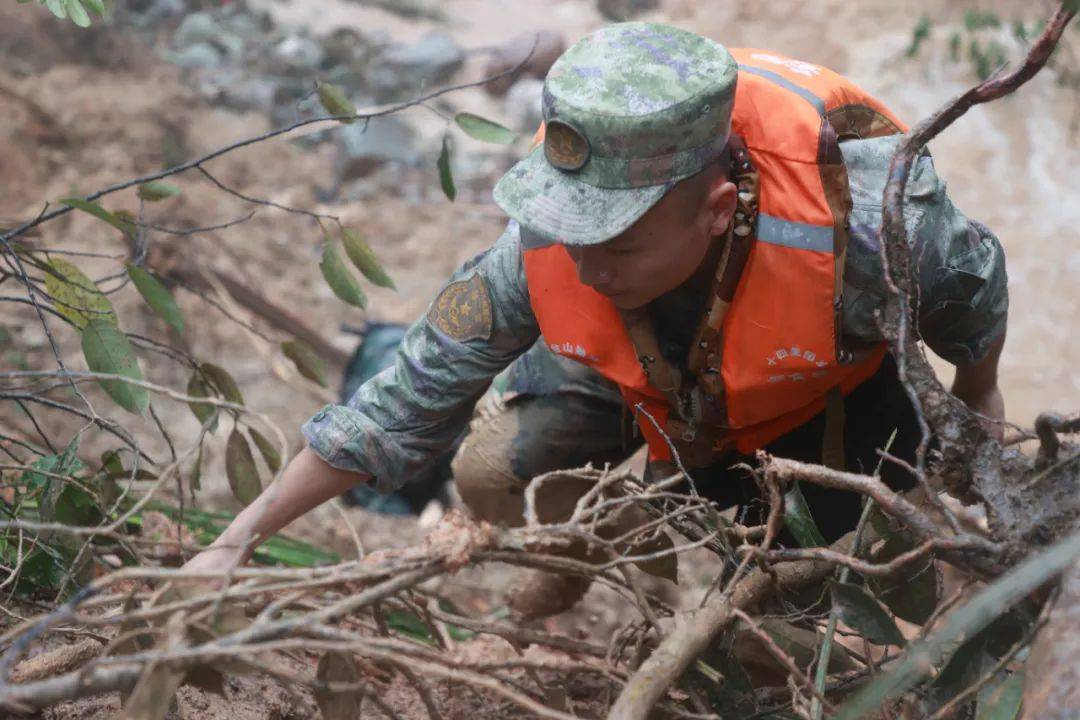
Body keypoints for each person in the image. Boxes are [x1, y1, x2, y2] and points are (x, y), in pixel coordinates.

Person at [184, 23, 1008, 618]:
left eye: (616, 242)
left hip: (814, 392)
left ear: (717, 210)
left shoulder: (872, 227)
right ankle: (609, 544)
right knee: (492, 472)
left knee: (778, 622)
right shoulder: (551, 243)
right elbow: (393, 410)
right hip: (634, 377)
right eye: (571, 231)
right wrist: (237, 540)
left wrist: (979, 407)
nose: (586, 266)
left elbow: (977, 294)